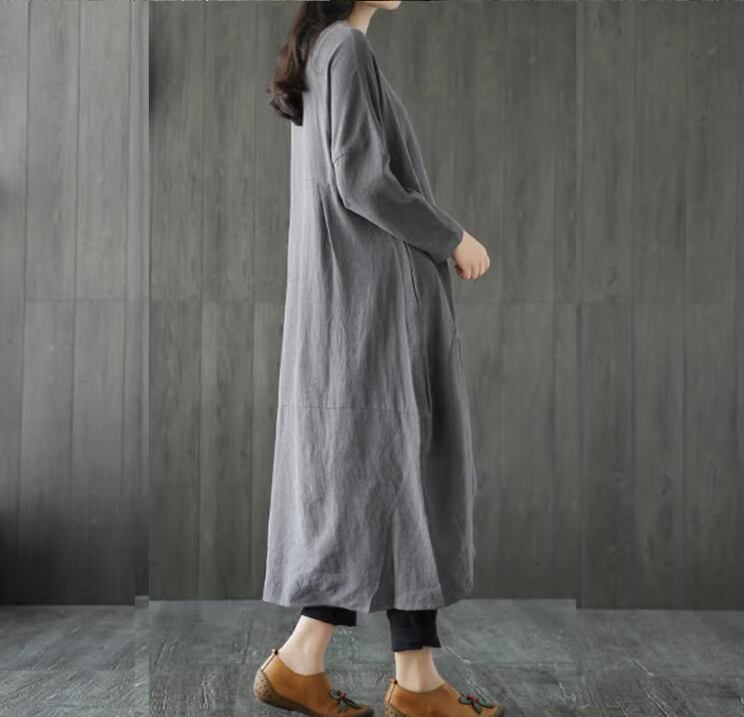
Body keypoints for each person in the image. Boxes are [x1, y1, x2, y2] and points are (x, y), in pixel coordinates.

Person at [254, 2, 503, 716]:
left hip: (351, 313)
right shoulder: (347, 52)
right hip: (375, 312)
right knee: (400, 477)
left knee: (382, 485)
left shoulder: (323, 52)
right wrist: (452, 237)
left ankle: (343, 667)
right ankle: (359, 671)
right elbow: (361, 180)